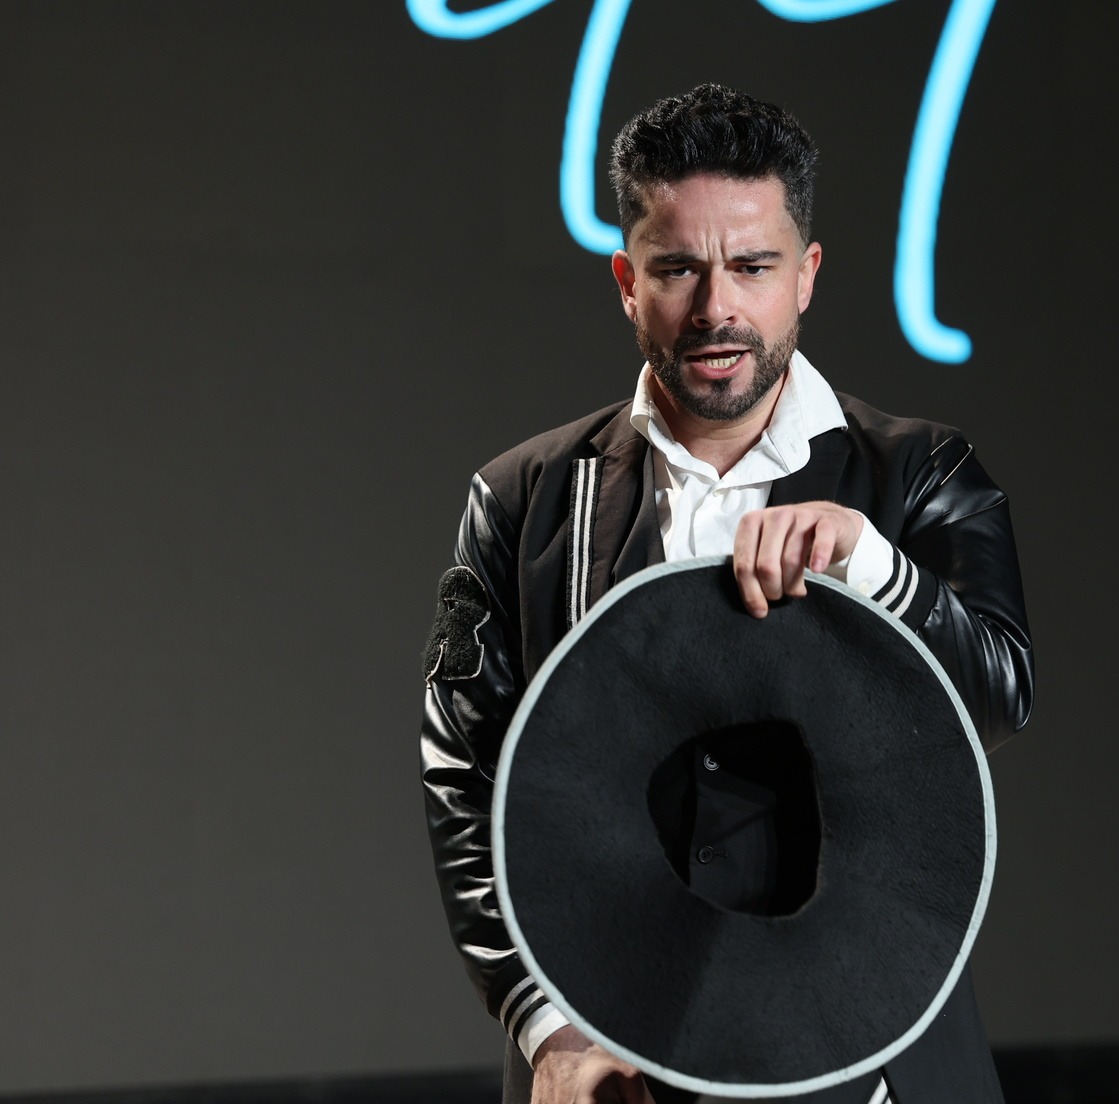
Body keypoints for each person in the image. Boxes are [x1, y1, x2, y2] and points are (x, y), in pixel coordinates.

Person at [420, 84, 1034, 1104]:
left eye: (752, 266)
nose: (717, 308)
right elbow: (467, 777)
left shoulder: (922, 474)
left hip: (869, 1051)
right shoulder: (523, 499)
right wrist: (548, 1029)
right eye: (678, 269)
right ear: (627, 282)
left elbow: (1000, 697)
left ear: (807, 276)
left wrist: (871, 566)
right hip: (617, 1054)